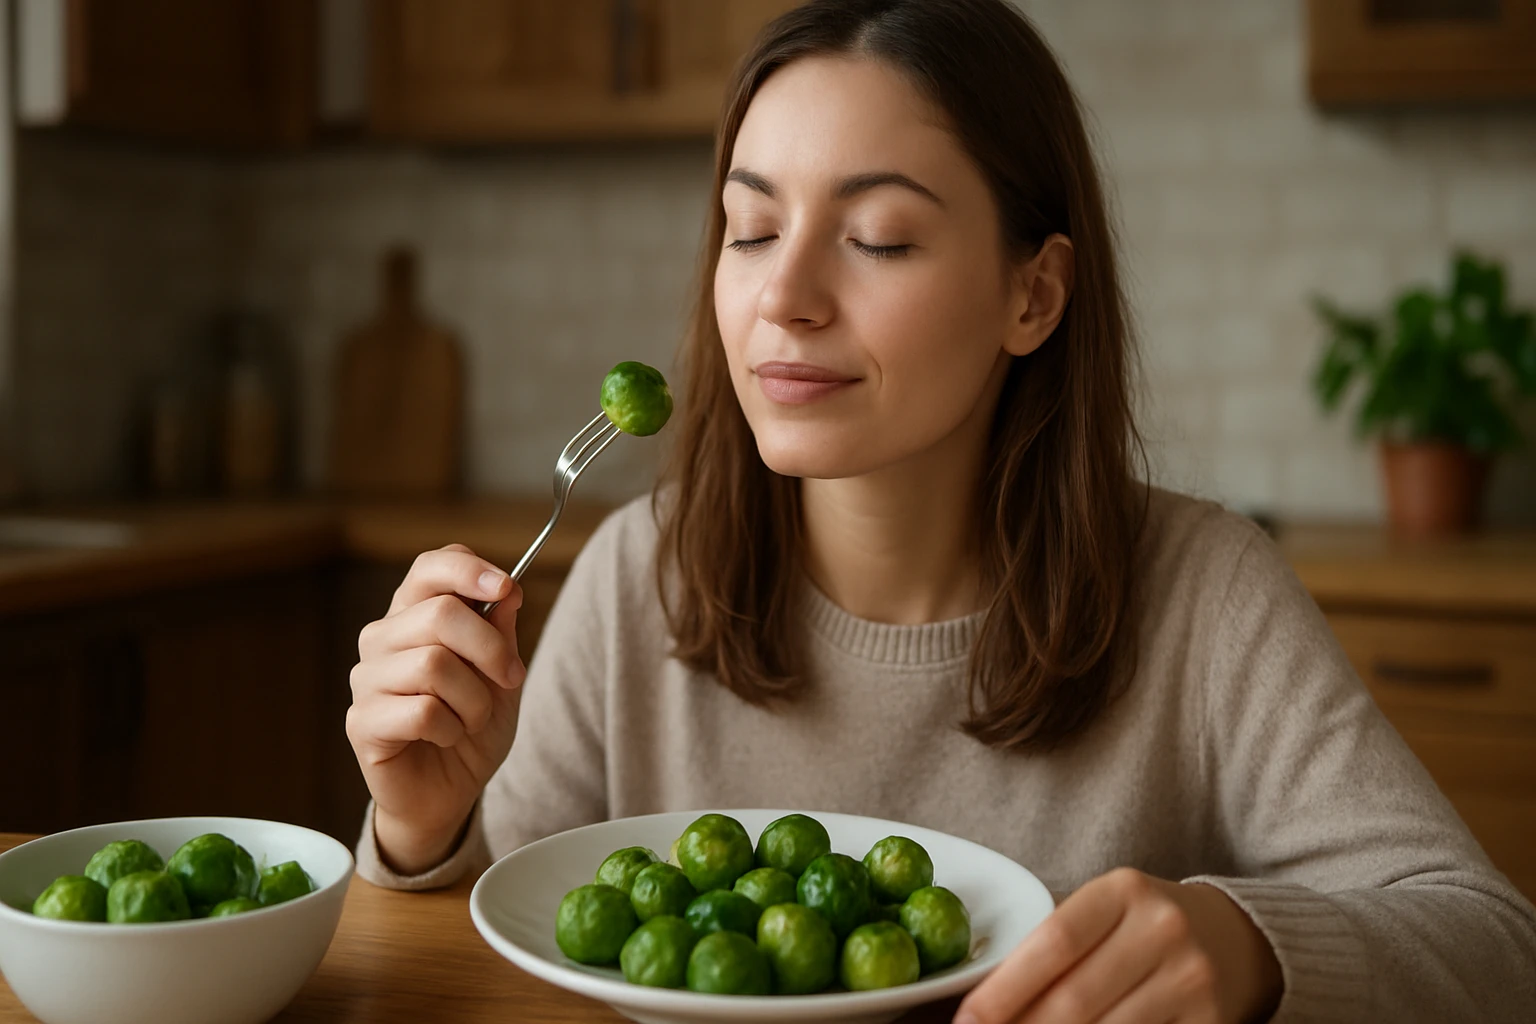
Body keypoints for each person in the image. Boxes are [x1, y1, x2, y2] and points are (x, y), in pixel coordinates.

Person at [344, 1, 1536, 1020]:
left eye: (878, 237)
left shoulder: (1204, 591)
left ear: (1034, 293)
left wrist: (1245, 946)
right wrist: (417, 830)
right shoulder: (633, 574)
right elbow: (501, 941)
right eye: (751, 229)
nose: (786, 297)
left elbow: (1494, 946)